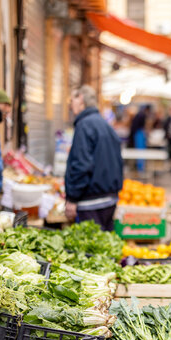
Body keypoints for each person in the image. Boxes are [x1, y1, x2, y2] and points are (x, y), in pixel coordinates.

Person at [65, 85, 123, 231]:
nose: (70, 106)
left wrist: (72, 198)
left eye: (72, 100)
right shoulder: (104, 124)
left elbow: (81, 165)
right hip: (109, 199)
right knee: (105, 248)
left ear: (81, 99)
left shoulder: (84, 125)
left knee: (91, 250)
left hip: (91, 201)